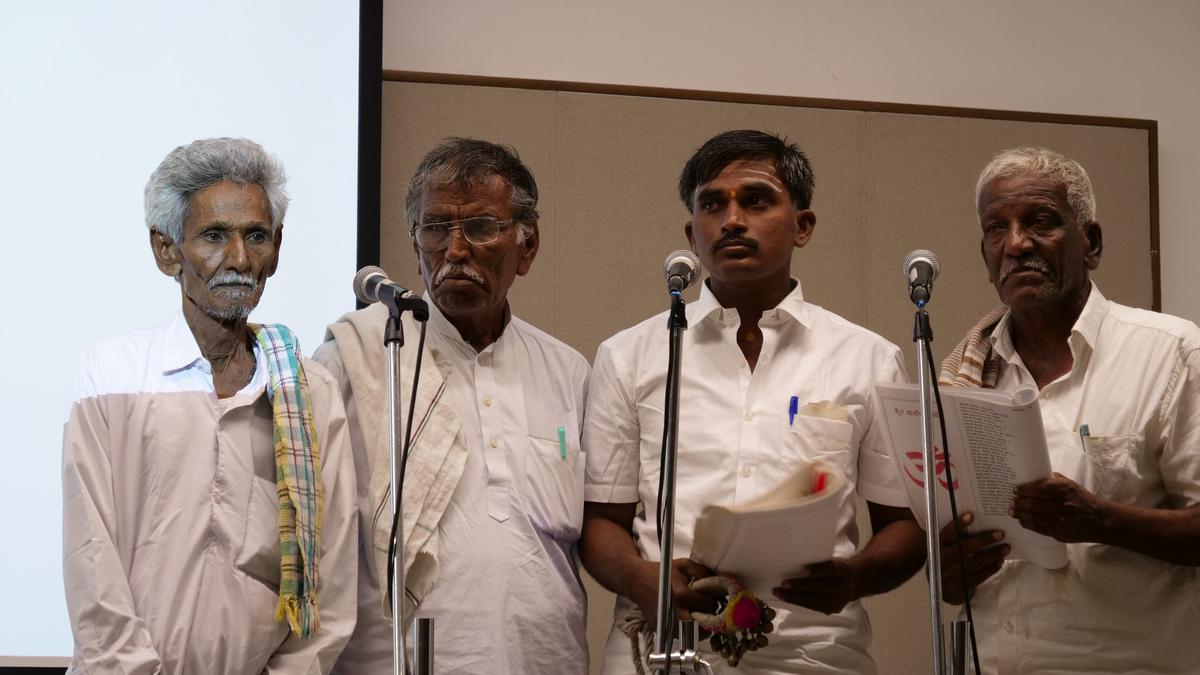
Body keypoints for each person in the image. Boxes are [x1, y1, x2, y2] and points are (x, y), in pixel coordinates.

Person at [581, 129, 926, 674]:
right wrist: (637, 577)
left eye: (757, 200)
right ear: (692, 233)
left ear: (803, 225)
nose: (732, 220)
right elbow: (602, 518)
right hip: (663, 652)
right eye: (712, 205)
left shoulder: (868, 359)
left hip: (815, 655)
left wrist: (854, 577)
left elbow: (904, 527)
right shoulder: (630, 355)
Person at [61, 137, 357, 673]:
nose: (240, 259)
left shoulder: (308, 393)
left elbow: (329, 586)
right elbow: (92, 565)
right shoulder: (112, 374)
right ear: (166, 250)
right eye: (214, 236)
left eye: (257, 236)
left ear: (277, 248)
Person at [319, 138, 590, 675]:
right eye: (436, 228)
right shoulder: (357, 359)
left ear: (527, 247)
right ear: (415, 242)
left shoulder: (568, 371)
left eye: (482, 228)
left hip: (545, 660)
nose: (455, 250)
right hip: (398, 661)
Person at [938, 147, 1200, 673]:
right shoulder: (959, 381)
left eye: (1041, 222)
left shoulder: (1171, 352)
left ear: (1092, 244)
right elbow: (949, 576)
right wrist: (948, 567)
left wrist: (1102, 519)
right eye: (997, 229)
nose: (1016, 244)